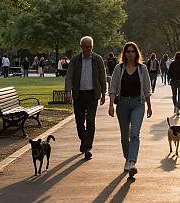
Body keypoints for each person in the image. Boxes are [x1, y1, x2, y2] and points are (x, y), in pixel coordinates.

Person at [108, 42, 152, 177]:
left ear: (136, 53)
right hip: (122, 104)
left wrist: (149, 106)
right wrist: (110, 105)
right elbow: (113, 87)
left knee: (134, 134)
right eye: (128, 51)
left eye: (133, 51)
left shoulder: (142, 68)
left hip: (137, 104)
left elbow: (146, 88)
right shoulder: (118, 68)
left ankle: (132, 162)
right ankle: (127, 158)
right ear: (124, 53)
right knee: (124, 136)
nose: (130, 54)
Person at [65, 36, 107, 159]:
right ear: (81, 47)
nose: (88, 49)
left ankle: (87, 146)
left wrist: (104, 93)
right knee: (79, 121)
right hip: (78, 95)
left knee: (90, 120)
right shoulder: (75, 60)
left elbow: (102, 77)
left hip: (92, 95)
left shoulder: (97, 59)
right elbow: (69, 76)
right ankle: (84, 141)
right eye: (86, 47)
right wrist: (68, 91)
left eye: (90, 47)